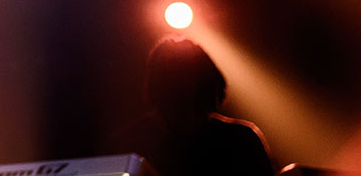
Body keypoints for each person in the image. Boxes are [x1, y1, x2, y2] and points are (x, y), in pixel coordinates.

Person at [114, 37, 274, 176]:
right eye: (179, 86)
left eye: (197, 86)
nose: (189, 93)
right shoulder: (243, 139)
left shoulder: (127, 143)